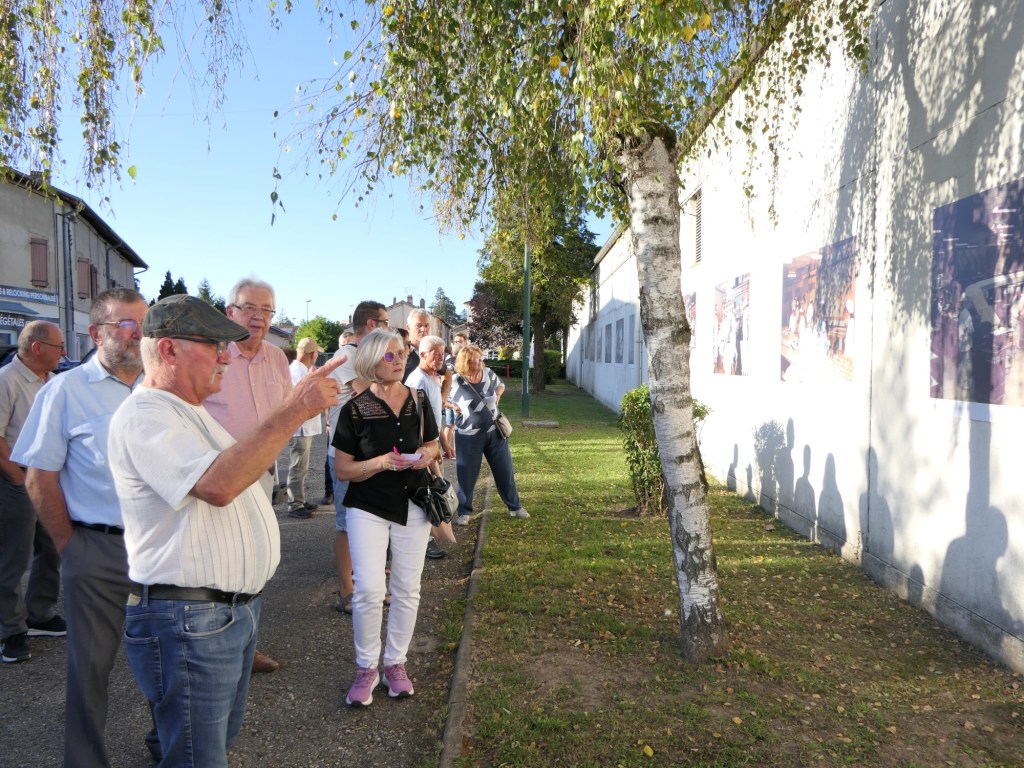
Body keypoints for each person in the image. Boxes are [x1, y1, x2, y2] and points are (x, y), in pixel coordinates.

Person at [107, 294, 343, 768]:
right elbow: (219, 485)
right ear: (169, 351)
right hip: (189, 619)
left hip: (222, 615)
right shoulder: (144, 413)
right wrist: (293, 411)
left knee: (205, 744)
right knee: (198, 756)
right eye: (213, 345)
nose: (223, 357)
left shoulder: (189, 410)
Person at [11, 289, 157, 767]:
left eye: (144, 323)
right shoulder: (64, 391)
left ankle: (169, 746)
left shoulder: (161, 387)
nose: (139, 333)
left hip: (164, 549)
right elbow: (39, 476)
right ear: (97, 333)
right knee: (90, 668)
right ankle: (85, 760)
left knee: (169, 659)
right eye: (127, 324)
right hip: (99, 548)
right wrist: (71, 547)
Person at [333, 329, 441, 706]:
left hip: (414, 503)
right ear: (371, 361)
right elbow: (344, 469)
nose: (398, 361)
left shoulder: (419, 399)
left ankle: (396, 663)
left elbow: (431, 444)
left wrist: (427, 455)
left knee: (408, 589)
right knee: (369, 591)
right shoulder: (355, 408)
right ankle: (366, 668)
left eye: (401, 354)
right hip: (368, 507)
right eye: (389, 356)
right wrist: (379, 462)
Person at [204, 276, 290, 674]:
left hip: (264, 472)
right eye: (250, 308)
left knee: (257, 557)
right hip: (219, 474)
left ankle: (247, 644)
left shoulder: (276, 358)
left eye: (267, 310)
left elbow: (284, 410)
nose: (258, 318)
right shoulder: (213, 355)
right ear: (230, 312)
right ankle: (214, 646)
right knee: (218, 559)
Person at [0, 321, 66, 665]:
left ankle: (39, 615)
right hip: (17, 481)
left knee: (50, 549)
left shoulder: (53, 382)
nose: (64, 352)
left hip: (47, 481)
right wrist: (16, 479)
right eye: (58, 346)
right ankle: (10, 630)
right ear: (37, 348)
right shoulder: (6, 380)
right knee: (13, 558)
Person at [327, 304, 390, 614]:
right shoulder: (347, 358)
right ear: (370, 323)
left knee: (373, 521)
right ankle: (347, 591)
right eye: (386, 323)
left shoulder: (366, 358)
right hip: (345, 453)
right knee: (347, 525)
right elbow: (373, 397)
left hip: (372, 453)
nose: (389, 329)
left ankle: (372, 584)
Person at [450, 345, 528, 525]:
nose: (478, 362)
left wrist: (498, 395)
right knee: (467, 475)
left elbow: (501, 385)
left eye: (480, 358)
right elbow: (442, 397)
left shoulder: (488, 373)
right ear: (465, 361)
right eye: (474, 360)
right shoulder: (455, 380)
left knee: (504, 470)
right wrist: (452, 406)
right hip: (468, 435)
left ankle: (515, 507)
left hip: (494, 432)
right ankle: (464, 511)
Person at [405, 335, 453, 560]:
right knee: (426, 495)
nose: (440, 357)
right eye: (436, 353)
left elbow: (436, 413)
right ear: (422, 355)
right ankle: (426, 542)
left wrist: (443, 443)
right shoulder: (417, 381)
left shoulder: (433, 378)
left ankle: (428, 538)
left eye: (442, 353)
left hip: (431, 446)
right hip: (421, 450)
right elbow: (415, 422)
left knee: (434, 492)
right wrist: (429, 451)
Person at [286, 336, 325, 518]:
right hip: (300, 426)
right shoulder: (300, 373)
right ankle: (295, 504)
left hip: (301, 426)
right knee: (298, 466)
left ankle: (299, 499)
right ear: (313, 354)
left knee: (301, 465)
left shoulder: (296, 370)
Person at [320, 327, 356, 507]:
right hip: (339, 435)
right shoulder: (341, 361)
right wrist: (327, 421)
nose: (345, 349)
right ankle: (329, 492)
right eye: (343, 345)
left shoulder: (354, 364)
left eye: (348, 345)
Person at [403, 308, 432, 379]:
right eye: (419, 326)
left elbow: (446, 373)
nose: (423, 329)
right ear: (408, 328)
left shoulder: (433, 352)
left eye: (426, 325)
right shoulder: (402, 353)